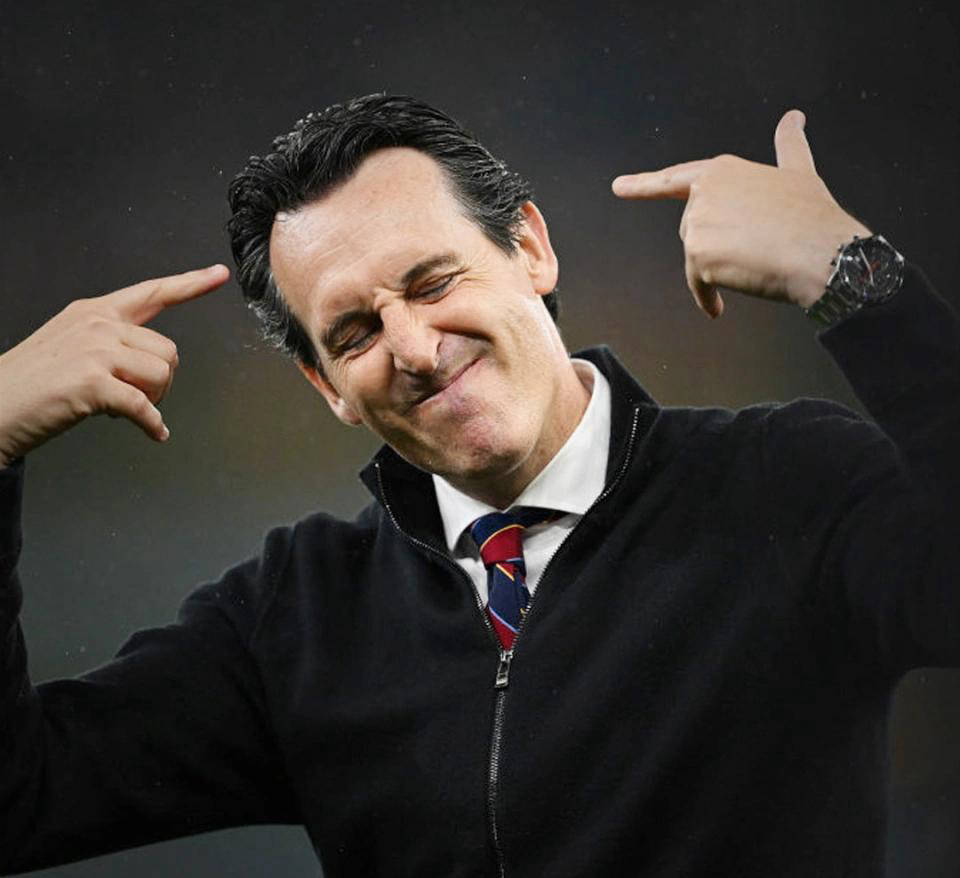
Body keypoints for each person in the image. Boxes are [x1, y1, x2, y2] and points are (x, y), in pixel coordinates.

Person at [0, 94, 957, 877]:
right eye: (355, 333)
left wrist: (856, 278)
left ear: (529, 249)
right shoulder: (295, 617)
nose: (415, 348)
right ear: (326, 386)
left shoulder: (782, 487)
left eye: (431, 283)